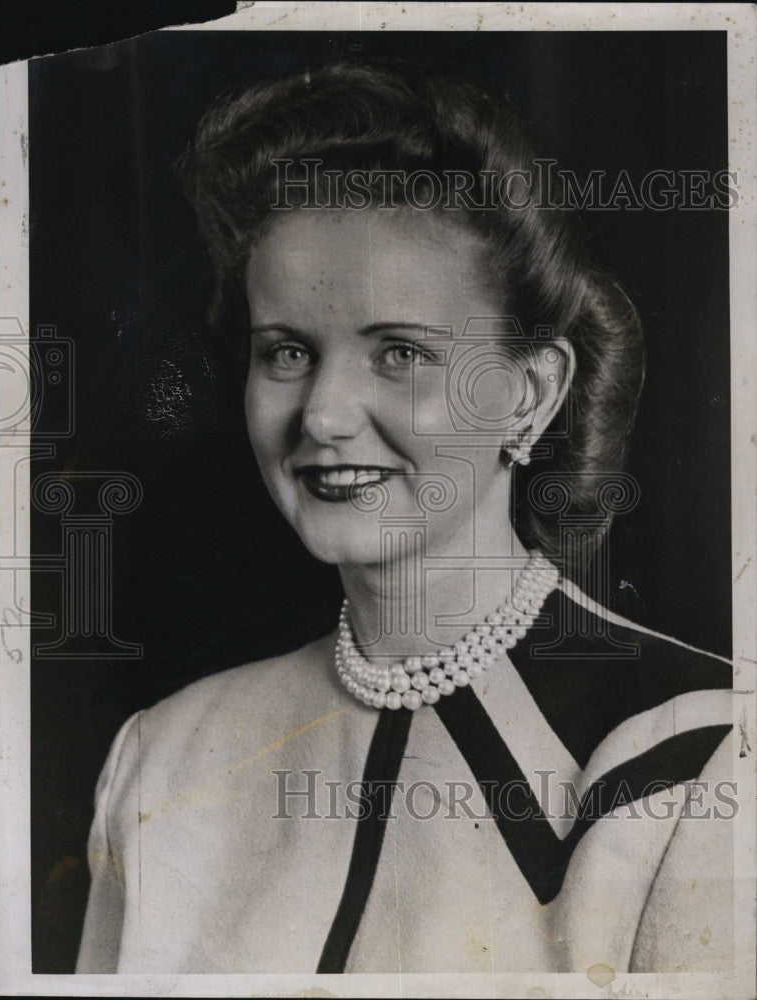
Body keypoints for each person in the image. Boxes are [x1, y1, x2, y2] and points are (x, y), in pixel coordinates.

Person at [76, 61, 733, 975]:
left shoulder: (694, 750)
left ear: (530, 393)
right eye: (288, 352)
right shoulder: (167, 755)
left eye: (399, 353)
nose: (322, 415)